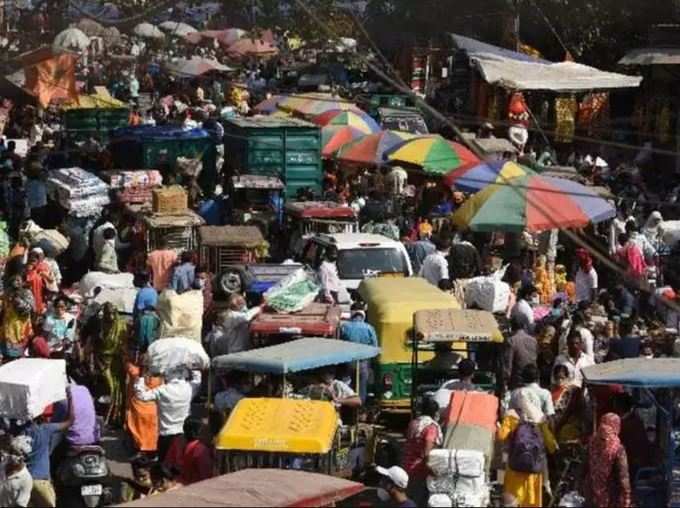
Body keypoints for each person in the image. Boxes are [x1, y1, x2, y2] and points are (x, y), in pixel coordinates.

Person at [497, 391, 557, 508]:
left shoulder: (512, 416)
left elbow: (501, 436)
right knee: (531, 502)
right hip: (534, 471)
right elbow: (551, 445)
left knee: (512, 501)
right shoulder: (540, 418)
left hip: (514, 468)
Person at [134, 368, 202, 463]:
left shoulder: (162, 390)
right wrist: (193, 366)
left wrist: (141, 377)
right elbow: (197, 380)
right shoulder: (189, 387)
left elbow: (142, 396)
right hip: (184, 433)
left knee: (165, 466)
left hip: (166, 435)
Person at [24, 390, 75, 508]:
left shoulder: (23, 431)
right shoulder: (46, 429)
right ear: (40, 417)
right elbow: (70, 421)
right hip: (41, 481)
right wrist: (71, 400)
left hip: (26, 480)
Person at [585, 413, 632, 508]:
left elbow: (584, 467)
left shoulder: (591, 442)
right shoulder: (618, 448)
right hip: (609, 496)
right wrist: (627, 497)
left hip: (591, 493)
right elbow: (623, 477)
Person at [402, 398, 442, 506]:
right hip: (420, 470)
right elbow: (427, 451)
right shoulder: (431, 427)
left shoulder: (414, 423)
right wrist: (432, 471)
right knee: (419, 501)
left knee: (409, 498)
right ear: (434, 412)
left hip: (407, 466)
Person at [94, 302, 128, 425]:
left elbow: (124, 344)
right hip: (103, 361)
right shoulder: (100, 325)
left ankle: (117, 418)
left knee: (118, 389)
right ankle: (106, 417)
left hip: (117, 361)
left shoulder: (121, 325)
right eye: (108, 314)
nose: (111, 317)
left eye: (113, 314)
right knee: (109, 389)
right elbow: (95, 345)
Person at [340, 307, 377, 403]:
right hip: (363, 361)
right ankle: (360, 403)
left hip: (349, 360)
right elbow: (374, 346)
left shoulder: (345, 327)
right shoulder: (369, 328)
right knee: (362, 385)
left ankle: (345, 402)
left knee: (346, 382)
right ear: (363, 317)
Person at [126, 362, 162, 457]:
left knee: (140, 430)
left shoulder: (135, 373)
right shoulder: (159, 376)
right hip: (154, 408)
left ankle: (141, 449)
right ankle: (152, 449)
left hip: (140, 408)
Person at [1, 273, 34, 359]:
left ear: (22, 282)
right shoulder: (7, 293)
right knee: (7, 352)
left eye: (19, 280)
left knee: (19, 351)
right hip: (8, 325)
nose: (16, 282)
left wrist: (17, 301)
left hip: (21, 325)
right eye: (14, 280)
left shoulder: (27, 292)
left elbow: (30, 308)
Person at [550, 363, 583, 443]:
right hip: (552, 424)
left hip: (566, 426)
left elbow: (569, 410)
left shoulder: (571, 391)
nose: (560, 380)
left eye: (562, 378)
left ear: (567, 377)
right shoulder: (551, 391)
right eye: (557, 378)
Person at [503, 318, 538, 390]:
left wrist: (505, 382)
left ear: (511, 326)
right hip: (533, 380)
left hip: (517, 382)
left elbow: (508, 365)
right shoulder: (533, 340)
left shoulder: (511, 341)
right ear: (524, 326)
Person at [0, 436, 33, 508]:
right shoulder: (2, 465)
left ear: (24, 457)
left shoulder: (26, 479)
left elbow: (20, 505)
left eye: (17, 454)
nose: (12, 456)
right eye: (11, 452)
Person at [179, 418, 213, 485]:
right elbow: (205, 475)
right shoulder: (201, 449)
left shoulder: (188, 446)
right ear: (199, 432)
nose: (210, 433)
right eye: (206, 430)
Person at [24, 248, 52, 314]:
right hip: (25, 298)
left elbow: (51, 281)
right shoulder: (24, 268)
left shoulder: (43, 268)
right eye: (32, 256)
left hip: (38, 299)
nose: (33, 258)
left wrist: (45, 275)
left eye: (36, 256)